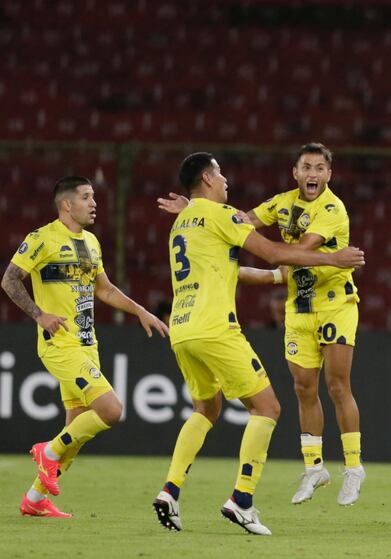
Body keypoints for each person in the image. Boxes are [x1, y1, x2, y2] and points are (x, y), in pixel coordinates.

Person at [152, 153, 365, 535]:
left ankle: (170, 490)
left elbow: (236, 269)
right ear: (207, 177)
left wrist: (274, 278)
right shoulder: (221, 216)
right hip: (216, 327)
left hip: (182, 328)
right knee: (267, 407)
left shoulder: (183, 222)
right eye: (221, 173)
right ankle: (242, 499)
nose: (226, 179)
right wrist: (333, 258)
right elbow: (275, 251)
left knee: (205, 409)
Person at [1, 176, 169, 519]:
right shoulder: (42, 239)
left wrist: (140, 310)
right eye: (86, 197)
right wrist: (39, 314)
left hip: (88, 343)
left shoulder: (91, 242)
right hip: (60, 345)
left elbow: (104, 290)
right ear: (67, 205)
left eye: (94, 196)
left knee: (75, 435)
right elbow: (9, 279)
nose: (94, 203)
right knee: (111, 410)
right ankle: (46, 451)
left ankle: (35, 499)